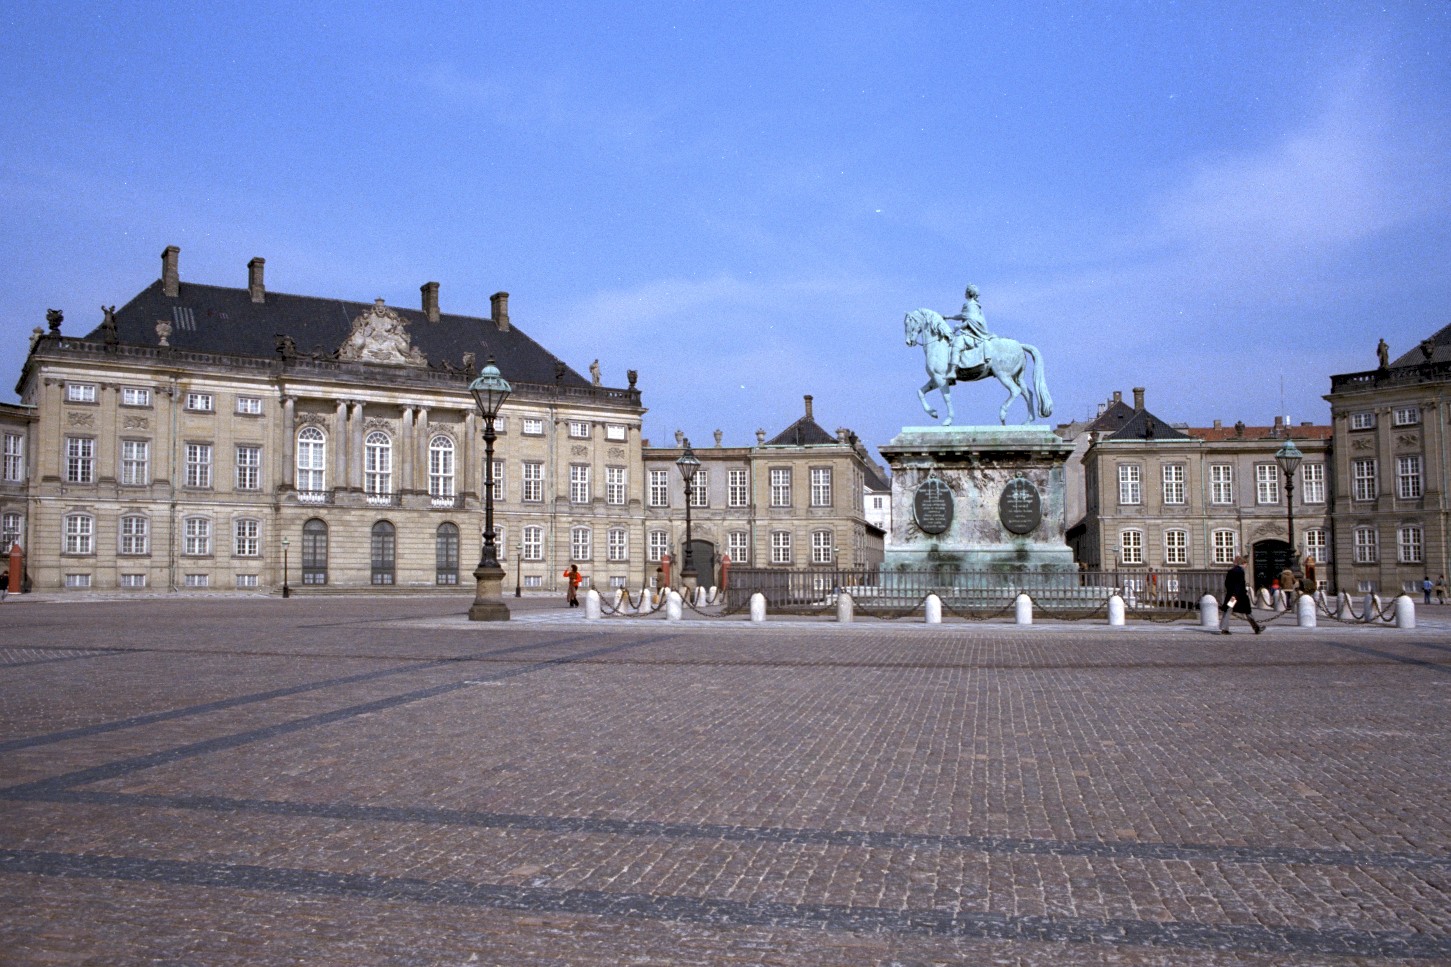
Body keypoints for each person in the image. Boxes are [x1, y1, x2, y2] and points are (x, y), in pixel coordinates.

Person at [943, 284, 994, 368]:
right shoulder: (973, 305)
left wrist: (959, 327)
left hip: (972, 334)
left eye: (966, 292)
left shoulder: (971, 305)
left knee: (957, 344)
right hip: (972, 331)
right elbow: (963, 316)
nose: (964, 294)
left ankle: (952, 370)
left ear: (969, 293)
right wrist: (949, 317)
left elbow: (969, 321)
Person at [1219, 555, 1263, 635]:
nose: (1246, 566)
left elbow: (1227, 583)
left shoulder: (1231, 571)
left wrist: (1231, 592)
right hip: (1239, 596)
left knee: (1227, 611)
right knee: (1247, 612)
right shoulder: (1240, 572)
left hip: (1232, 596)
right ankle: (1256, 628)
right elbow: (1239, 585)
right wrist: (1236, 594)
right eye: (1246, 565)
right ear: (1244, 563)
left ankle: (1224, 629)